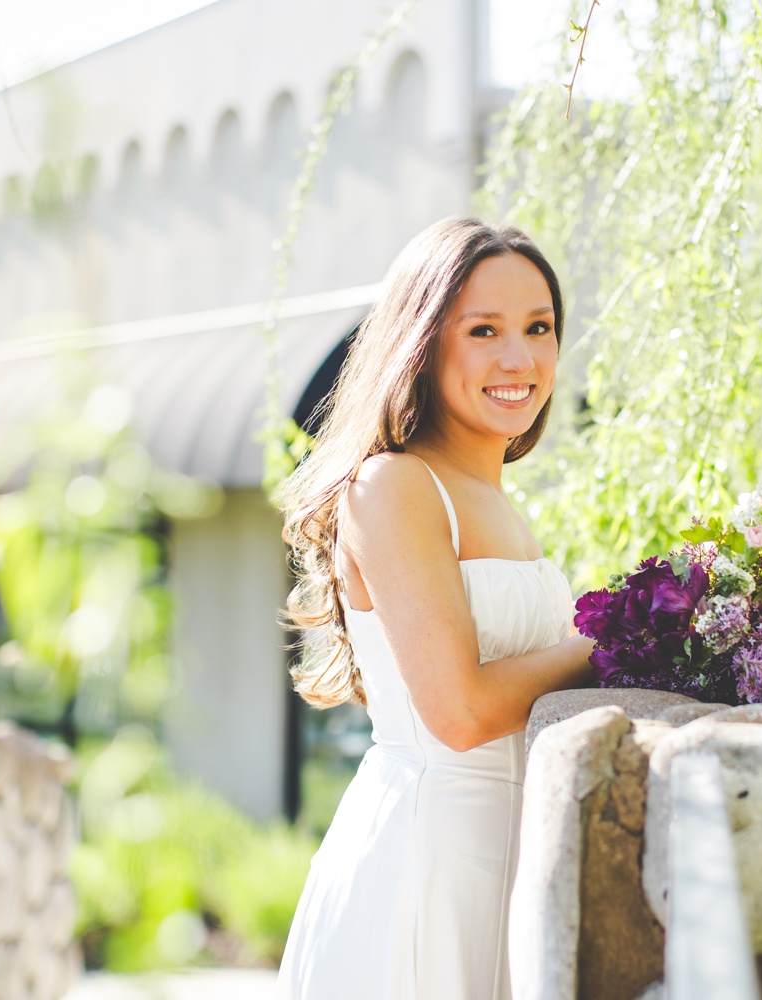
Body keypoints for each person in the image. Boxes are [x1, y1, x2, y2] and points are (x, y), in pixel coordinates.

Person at [274, 217, 595, 999]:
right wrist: (616, 635)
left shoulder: (502, 504)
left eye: (538, 327)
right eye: (483, 330)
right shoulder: (395, 486)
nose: (518, 358)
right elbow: (458, 710)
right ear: (422, 340)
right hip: (429, 856)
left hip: (517, 854)